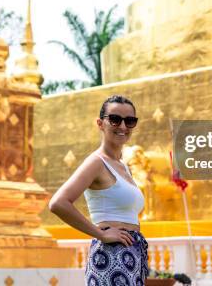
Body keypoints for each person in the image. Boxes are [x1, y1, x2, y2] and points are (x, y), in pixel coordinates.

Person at [49, 95, 147, 286]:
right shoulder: (96, 162)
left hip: (132, 255)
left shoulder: (123, 166)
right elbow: (58, 203)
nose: (123, 126)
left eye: (130, 121)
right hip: (111, 256)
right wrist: (100, 234)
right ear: (100, 123)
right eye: (115, 119)